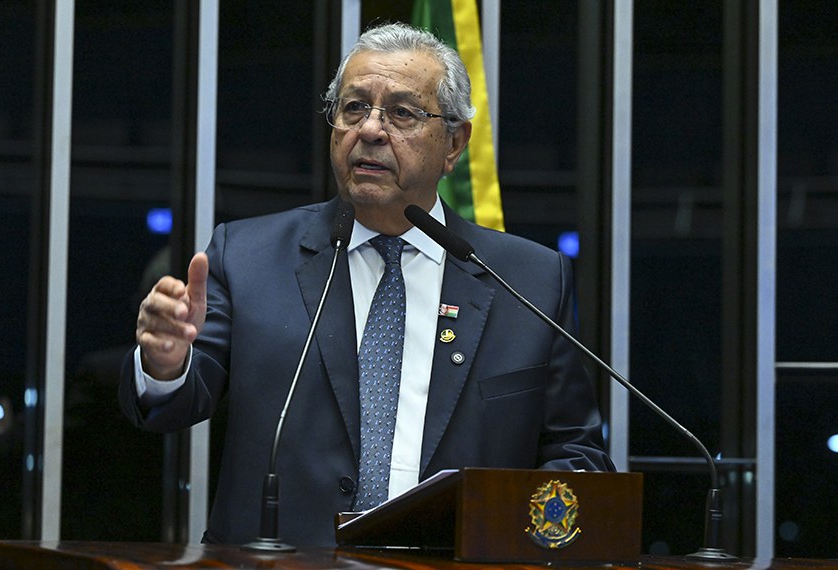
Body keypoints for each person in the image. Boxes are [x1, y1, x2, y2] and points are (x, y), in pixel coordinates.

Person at [119, 21, 614, 547]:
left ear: (454, 143)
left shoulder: (530, 280)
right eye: (354, 108)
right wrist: (165, 364)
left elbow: (575, 451)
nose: (371, 130)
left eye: (403, 113)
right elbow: (174, 404)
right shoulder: (248, 256)